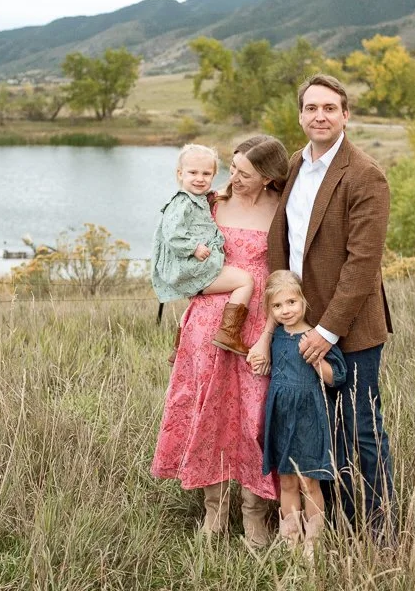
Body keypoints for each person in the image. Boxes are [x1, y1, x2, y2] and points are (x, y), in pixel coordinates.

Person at [252, 73, 395, 544]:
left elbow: (362, 265)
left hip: (347, 328)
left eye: (329, 108)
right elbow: (277, 230)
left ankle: (377, 531)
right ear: (300, 115)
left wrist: (326, 332)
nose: (320, 115)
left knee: (359, 427)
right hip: (297, 324)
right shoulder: (296, 165)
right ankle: (325, 523)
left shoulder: (365, 174)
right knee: (315, 429)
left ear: (345, 114)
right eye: (311, 108)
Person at [151, 135, 289, 547]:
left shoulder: (283, 212)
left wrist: (270, 333)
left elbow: (287, 276)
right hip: (209, 322)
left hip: (258, 323)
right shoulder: (210, 203)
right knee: (207, 411)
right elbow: (177, 247)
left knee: (254, 417)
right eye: (232, 168)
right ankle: (214, 510)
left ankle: (255, 511)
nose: (234, 178)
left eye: (244, 173)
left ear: (267, 177)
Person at [261, 270, 346, 560]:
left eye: (291, 302)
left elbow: (338, 377)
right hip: (282, 417)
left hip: (309, 415)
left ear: (303, 301)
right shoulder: (275, 338)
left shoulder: (315, 337)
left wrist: (317, 361)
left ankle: (315, 542)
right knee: (286, 480)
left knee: (309, 481)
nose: (286, 310)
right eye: (277, 306)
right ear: (270, 309)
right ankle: (290, 539)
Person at [151, 144, 256, 358]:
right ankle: (229, 334)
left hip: (194, 266)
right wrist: (194, 247)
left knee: (196, 303)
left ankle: (179, 347)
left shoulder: (199, 197)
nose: (200, 178)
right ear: (180, 174)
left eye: (206, 174)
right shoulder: (182, 203)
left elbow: (218, 189)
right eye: (193, 173)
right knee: (245, 280)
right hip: (190, 265)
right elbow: (172, 233)